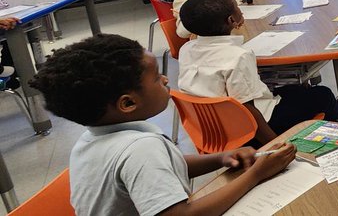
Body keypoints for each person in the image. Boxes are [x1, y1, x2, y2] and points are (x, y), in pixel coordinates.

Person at [28, 34, 296, 215]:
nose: (166, 80)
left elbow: (165, 165)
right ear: (128, 103)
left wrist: (221, 158)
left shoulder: (92, 139)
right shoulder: (140, 149)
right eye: (157, 78)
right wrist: (256, 175)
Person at [178, 0, 338, 145]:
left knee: (296, 90)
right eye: (238, 8)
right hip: (251, 133)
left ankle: (337, 108)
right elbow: (248, 110)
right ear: (232, 20)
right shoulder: (238, 56)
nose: (241, 11)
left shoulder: (186, 49)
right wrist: (274, 145)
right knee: (323, 94)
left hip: (213, 130)